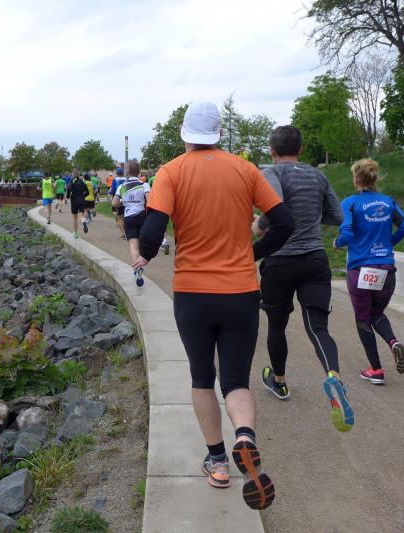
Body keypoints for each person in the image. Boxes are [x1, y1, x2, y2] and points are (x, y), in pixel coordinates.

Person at [134, 101, 294, 510]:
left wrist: (143, 253)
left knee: (203, 377)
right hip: (241, 292)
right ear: (219, 133)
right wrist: (253, 253)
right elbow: (285, 223)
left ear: (185, 133)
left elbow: (152, 233)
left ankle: (219, 462)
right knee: (236, 381)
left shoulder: (171, 172)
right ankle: (245, 436)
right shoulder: (245, 169)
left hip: (193, 294)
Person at [252, 125, 353, 433]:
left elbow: (276, 206)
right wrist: (311, 216)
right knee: (318, 327)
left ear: (272, 150)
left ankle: (280, 381)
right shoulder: (317, 176)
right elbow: (337, 216)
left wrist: (259, 226)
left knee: (277, 325)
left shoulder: (272, 172)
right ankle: (333, 376)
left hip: (281, 261)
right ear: (301, 149)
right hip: (315, 259)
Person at [335, 158, 404, 385]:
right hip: (386, 268)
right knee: (376, 314)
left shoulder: (350, 203)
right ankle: (393, 343)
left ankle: (376, 369)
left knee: (362, 318)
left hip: (361, 269)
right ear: (374, 178)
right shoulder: (388, 202)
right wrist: (390, 243)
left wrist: (337, 243)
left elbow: (347, 234)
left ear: (356, 179)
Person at [112, 161, 150, 287]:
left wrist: (124, 201)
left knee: (133, 245)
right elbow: (149, 200)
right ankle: (140, 261)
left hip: (129, 218)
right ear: (139, 171)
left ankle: (137, 268)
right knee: (141, 244)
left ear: (127, 172)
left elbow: (114, 203)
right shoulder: (144, 185)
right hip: (142, 216)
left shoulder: (122, 186)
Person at [148, 167, 170, 255]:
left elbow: (149, 190)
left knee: (156, 222)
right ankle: (165, 240)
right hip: (167, 202)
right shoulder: (168, 177)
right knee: (165, 222)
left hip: (156, 202)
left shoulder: (152, 179)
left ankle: (159, 241)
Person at [66, 172, 90, 239]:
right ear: (79, 175)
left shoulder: (72, 181)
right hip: (82, 200)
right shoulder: (82, 182)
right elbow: (87, 192)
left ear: (73, 175)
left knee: (75, 217)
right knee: (81, 214)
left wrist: (67, 196)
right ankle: (84, 223)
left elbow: (68, 189)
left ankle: (75, 233)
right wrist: (83, 196)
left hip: (74, 200)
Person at [109, 167, 128, 239]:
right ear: (123, 173)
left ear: (116, 173)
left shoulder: (115, 180)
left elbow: (113, 190)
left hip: (118, 199)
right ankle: (128, 232)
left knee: (119, 217)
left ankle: (123, 234)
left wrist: (110, 193)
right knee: (125, 216)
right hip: (126, 199)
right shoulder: (126, 179)